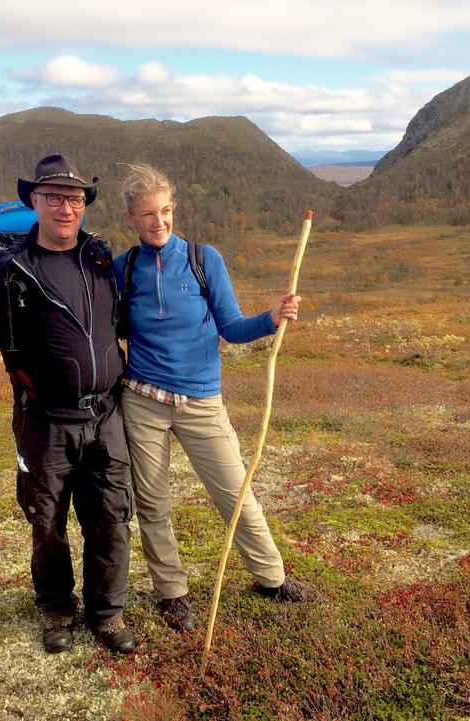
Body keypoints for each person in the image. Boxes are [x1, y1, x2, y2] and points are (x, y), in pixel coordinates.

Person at [0, 154, 136, 654]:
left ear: (84, 205)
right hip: (44, 421)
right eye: (54, 198)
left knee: (110, 517)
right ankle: (57, 610)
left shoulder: (101, 259)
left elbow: (129, 322)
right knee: (47, 520)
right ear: (34, 203)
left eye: (75, 198)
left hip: (106, 415)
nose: (66, 207)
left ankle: (107, 613)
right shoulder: (11, 270)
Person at [113, 163, 314, 634]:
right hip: (141, 402)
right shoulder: (122, 269)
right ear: (129, 218)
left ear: (173, 210)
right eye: (146, 214)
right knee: (153, 503)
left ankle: (272, 578)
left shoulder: (205, 261)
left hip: (201, 402)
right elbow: (113, 331)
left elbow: (232, 327)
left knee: (236, 494)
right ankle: (172, 594)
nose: (157, 222)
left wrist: (271, 317)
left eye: (164, 211)